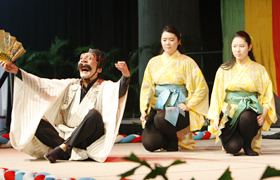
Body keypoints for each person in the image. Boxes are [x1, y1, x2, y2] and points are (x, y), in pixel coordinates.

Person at [0, 48, 130, 163]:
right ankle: (66, 150)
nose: (83, 61)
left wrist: (125, 75)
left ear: (99, 68)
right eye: (81, 59)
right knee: (36, 122)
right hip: (66, 134)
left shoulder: (104, 86)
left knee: (94, 115)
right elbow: (42, 84)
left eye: (89, 59)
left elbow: (119, 90)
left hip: (89, 137)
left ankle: (63, 148)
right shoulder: (71, 84)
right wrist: (17, 71)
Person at [139, 25, 209, 152]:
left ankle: (172, 140)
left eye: (171, 39)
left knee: (161, 118)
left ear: (178, 41)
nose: (168, 43)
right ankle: (166, 138)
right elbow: (146, 88)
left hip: (178, 107)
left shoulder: (187, 62)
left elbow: (201, 87)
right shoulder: (153, 62)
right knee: (150, 143)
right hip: (158, 106)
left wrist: (189, 104)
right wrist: (144, 109)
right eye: (164, 39)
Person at [207, 31, 277, 156]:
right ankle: (237, 140)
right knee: (233, 148)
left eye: (242, 46)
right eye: (234, 46)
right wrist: (215, 116)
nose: (237, 50)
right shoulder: (224, 69)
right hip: (230, 113)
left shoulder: (259, 69)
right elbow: (216, 95)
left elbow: (267, 94)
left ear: (249, 47)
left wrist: (265, 112)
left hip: (249, 111)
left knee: (247, 116)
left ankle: (247, 144)